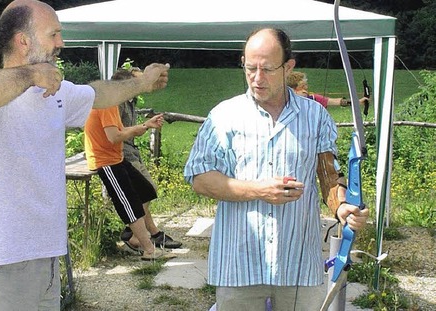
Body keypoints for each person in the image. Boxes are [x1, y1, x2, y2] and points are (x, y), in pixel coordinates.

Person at [0, 0, 169, 309]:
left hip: (46, 256)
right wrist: (33, 74)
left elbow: (100, 94)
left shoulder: (56, 93)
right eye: (53, 35)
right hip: (10, 258)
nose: (60, 43)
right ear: (23, 41)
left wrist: (142, 82)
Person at [183, 28, 370, 311]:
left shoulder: (315, 116)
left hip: (297, 263)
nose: (257, 78)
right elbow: (199, 178)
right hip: (238, 263)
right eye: (250, 68)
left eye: (267, 69)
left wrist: (342, 206)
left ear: (288, 67)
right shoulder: (223, 116)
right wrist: (259, 190)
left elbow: (328, 175)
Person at [84, 68, 177, 260]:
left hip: (116, 157)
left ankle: (135, 236)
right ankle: (148, 249)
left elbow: (117, 131)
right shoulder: (108, 103)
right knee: (129, 205)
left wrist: (145, 125)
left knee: (146, 191)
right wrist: (141, 128)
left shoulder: (114, 101)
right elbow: (114, 136)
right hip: (105, 161)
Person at [112, 68, 182, 252]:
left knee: (144, 192)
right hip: (120, 153)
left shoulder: (131, 101)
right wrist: (144, 125)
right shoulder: (116, 102)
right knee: (148, 189)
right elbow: (113, 134)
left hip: (130, 151)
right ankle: (136, 231)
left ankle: (146, 232)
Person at [287, 71, 367, 108]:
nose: (306, 88)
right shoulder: (285, 98)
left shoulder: (313, 98)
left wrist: (358, 102)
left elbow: (335, 101)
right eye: (303, 85)